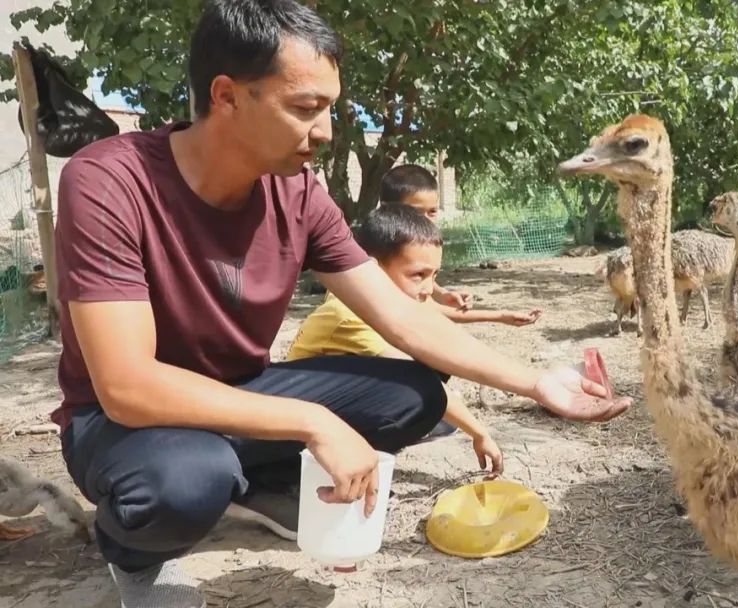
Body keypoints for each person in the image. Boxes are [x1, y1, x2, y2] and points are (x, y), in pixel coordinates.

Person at [51, 1, 629, 606]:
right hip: (122, 423)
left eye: (329, 108)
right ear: (226, 96)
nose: (325, 131)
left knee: (417, 395)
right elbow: (127, 385)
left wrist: (537, 383)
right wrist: (314, 420)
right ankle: (136, 555)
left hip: (241, 393)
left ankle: (261, 482)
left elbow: (401, 315)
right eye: (306, 108)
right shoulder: (110, 181)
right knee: (186, 482)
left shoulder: (298, 193)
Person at [288, 204, 543, 477]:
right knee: (421, 381)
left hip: (335, 393)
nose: (428, 289)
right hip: (300, 418)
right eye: (418, 275)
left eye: (434, 276)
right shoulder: (349, 314)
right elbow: (422, 377)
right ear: (372, 269)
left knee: (436, 364)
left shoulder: (382, 299)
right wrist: (479, 433)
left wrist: (501, 315)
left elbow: (437, 318)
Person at [376, 163, 473, 310]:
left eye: (432, 211)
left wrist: (442, 294)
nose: (426, 220)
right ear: (387, 208)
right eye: (416, 212)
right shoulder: (378, 246)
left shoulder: (418, 244)